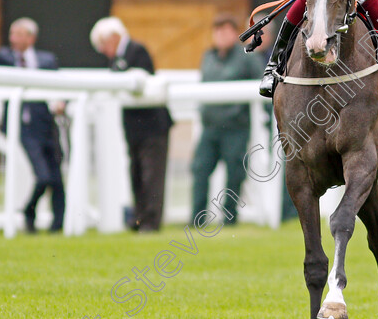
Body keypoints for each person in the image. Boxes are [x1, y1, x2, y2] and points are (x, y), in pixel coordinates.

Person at [90, 16, 173, 232]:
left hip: (153, 126)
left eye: (103, 44)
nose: (102, 50)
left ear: (114, 37)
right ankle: (138, 218)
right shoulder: (117, 58)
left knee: (151, 175)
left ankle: (151, 221)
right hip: (133, 127)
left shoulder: (137, 51)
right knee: (136, 173)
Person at [0, 18, 65, 233]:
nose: (14, 39)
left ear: (31, 38)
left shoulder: (47, 60)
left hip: (47, 125)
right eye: (12, 34)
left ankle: (58, 225)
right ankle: (29, 211)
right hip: (22, 127)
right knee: (43, 176)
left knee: (56, 177)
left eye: (19, 34)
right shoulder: (4, 58)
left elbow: (60, 87)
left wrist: (61, 102)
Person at [191, 14, 264, 224]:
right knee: (200, 169)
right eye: (217, 31)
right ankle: (197, 218)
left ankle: (230, 218)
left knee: (234, 174)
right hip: (210, 126)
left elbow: (260, 86)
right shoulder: (208, 56)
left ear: (234, 34)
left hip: (235, 127)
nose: (220, 36)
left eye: (225, 31)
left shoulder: (247, 58)